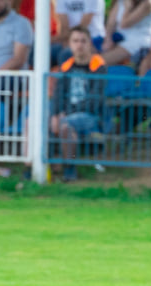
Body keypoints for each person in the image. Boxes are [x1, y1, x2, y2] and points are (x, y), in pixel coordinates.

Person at [49, 25, 106, 182]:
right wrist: (55, 114)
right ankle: (36, 169)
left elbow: (95, 100)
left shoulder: (98, 66)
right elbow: (58, 93)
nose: (79, 45)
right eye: (75, 41)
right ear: (70, 44)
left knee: (66, 125)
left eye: (83, 41)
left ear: (90, 44)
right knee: (46, 121)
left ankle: (69, 169)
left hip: (91, 117)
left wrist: (65, 113)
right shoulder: (66, 66)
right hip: (67, 114)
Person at [100, 0, 151, 67]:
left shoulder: (148, 3)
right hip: (120, 39)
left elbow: (124, 24)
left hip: (137, 43)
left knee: (98, 62)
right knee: (91, 52)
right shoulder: (121, 2)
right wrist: (108, 40)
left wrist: (127, 8)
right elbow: (111, 24)